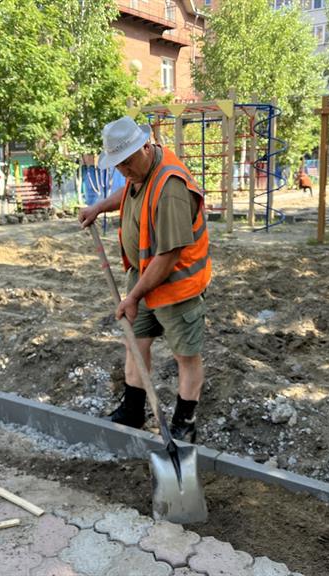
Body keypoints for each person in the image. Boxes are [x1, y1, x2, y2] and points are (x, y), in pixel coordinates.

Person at [79, 116, 211, 443]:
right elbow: (129, 192)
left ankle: (184, 423)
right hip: (144, 278)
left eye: (128, 162)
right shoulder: (140, 171)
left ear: (146, 147)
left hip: (177, 285)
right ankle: (133, 411)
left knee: (185, 355)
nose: (124, 170)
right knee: (135, 343)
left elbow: (168, 256)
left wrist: (133, 297)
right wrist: (99, 207)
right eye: (118, 165)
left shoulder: (170, 188)